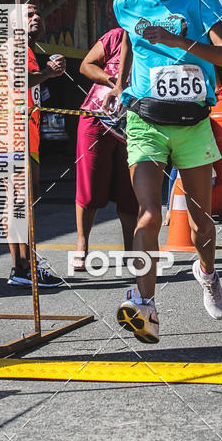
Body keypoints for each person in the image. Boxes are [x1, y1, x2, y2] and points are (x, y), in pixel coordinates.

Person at [103, 0, 222, 344]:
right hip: (145, 119)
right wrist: (118, 84)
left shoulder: (200, 2)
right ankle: (146, 304)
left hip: (192, 122)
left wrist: (177, 39)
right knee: (149, 213)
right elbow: (128, 43)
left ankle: (208, 273)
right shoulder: (128, 3)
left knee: (201, 222)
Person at [0, 3, 67, 288]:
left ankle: (24, 267)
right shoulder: (13, 46)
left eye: (39, 15)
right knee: (19, 203)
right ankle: (24, 268)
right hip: (13, 135)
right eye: (28, 15)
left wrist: (48, 72)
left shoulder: (29, 52)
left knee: (20, 203)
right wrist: (49, 72)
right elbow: (16, 81)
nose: (37, 18)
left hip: (26, 136)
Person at [73, 28, 138, 272]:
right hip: (97, 117)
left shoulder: (159, 34)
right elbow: (86, 65)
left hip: (134, 121)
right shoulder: (116, 35)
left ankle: (131, 250)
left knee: (130, 187)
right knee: (90, 184)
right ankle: (82, 243)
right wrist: (111, 80)